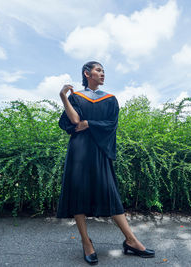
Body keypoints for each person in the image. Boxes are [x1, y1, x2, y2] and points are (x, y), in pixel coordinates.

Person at [56, 61, 155, 265]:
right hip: (79, 152)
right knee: (78, 194)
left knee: (110, 192)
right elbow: (74, 121)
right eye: (98, 70)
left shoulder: (110, 100)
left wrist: (89, 123)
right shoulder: (76, 97)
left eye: (103, 71)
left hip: (100, 151)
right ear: (87, 73)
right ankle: (86, 242)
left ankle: (131, 240)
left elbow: (111, 125)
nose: (102, 74)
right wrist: (63, 97)